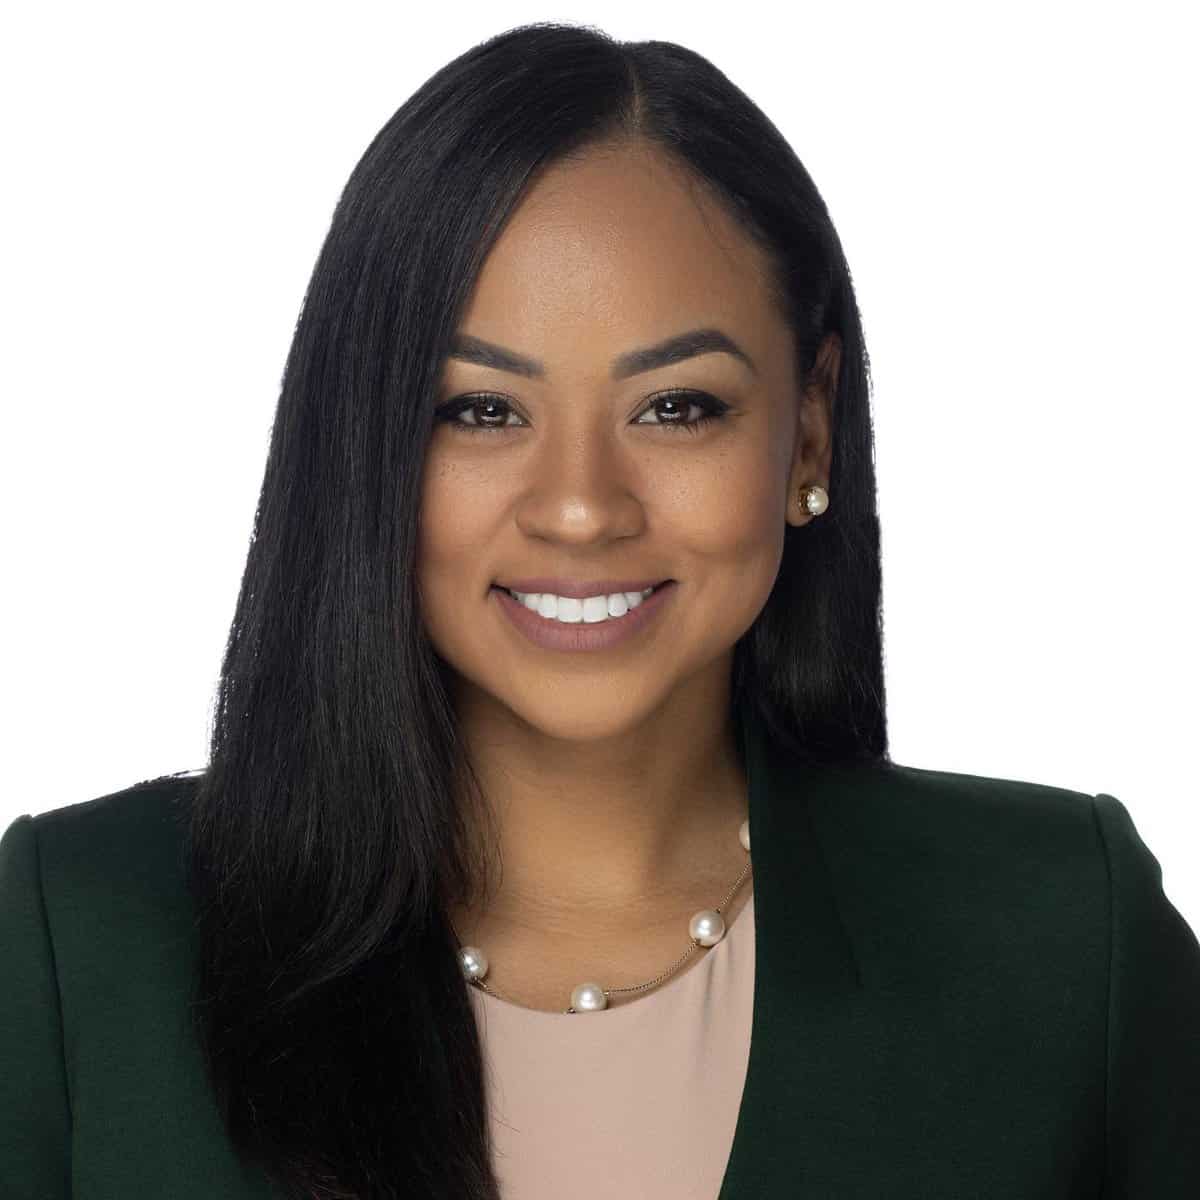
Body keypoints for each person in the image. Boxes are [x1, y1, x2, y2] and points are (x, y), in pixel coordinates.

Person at [2, 20, 1198, 1200]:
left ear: (810, 428)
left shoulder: (1061, 940)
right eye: (479, 410)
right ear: (366, 444)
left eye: (677, 408)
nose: (580, 508)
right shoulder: (78, 943)